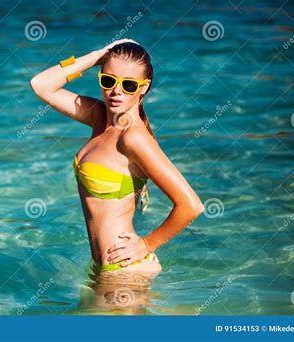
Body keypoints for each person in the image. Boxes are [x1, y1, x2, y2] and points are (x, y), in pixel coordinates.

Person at [30, 38, 204, 276]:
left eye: (129, 85)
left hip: (125, 272)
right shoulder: (99, 117)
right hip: (105, 269)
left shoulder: (133, 137)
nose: (116, 91)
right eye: (108, 80)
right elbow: (41, 85)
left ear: (144, 87)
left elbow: (191, 205)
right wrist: (98, 55)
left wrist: (146, 244)